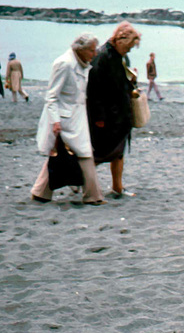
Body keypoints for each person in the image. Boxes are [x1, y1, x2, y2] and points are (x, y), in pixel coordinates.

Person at [31, 33, 106, 205]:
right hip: (65, 120)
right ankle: (93, 196)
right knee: (84, 154)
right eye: (91, 51)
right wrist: (55, 121)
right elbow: (51, 96)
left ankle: (40, 192)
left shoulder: (81, 64)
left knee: (63, 154)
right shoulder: (64, 64)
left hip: (76, 117)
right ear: (81, 49)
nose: (94, 55)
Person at [87, 21, 141, 198]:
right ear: (120, 41)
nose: (129, 51)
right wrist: (99, 116)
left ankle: (117, 187)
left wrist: (132, 86)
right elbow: (94, 89)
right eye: (128, 47)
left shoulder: (121, 57)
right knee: (99, 152)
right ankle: (82, 183)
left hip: (121, 113)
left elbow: (121, 82)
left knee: (119, 151)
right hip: (107, 114)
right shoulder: (102, 57)